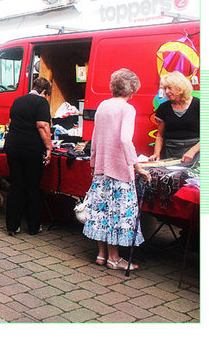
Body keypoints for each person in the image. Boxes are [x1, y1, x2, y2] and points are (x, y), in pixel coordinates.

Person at [82, 68, 151, 271]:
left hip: (102, 168)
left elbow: (95, 137)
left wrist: (93, 162)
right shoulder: (127, 109)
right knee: (115, 213)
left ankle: (101, 255)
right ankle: (114, 258)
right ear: (132, 90)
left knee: (102, 211)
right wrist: (137, 166)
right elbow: (124, 139)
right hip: (119, 170)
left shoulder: (103, 105)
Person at [4, 77, 53, 236]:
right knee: (32, 186)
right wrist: (49, 147)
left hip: (13, 146)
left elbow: (11, 121)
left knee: (16, 184)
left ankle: (12, 226)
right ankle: (33, 227)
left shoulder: (18, 100)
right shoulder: (41, 102)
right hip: (30, 148)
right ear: (44, 92)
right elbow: (42, 125)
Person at [149, 71, 199, 164]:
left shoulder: (198, 105)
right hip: (171, 152)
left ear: (180, 88)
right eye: (165, 89)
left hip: (195, 153)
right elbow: (160, 135)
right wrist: (156, 154)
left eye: (170, 88)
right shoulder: (163, 108)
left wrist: (193, 151)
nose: (167, 92)